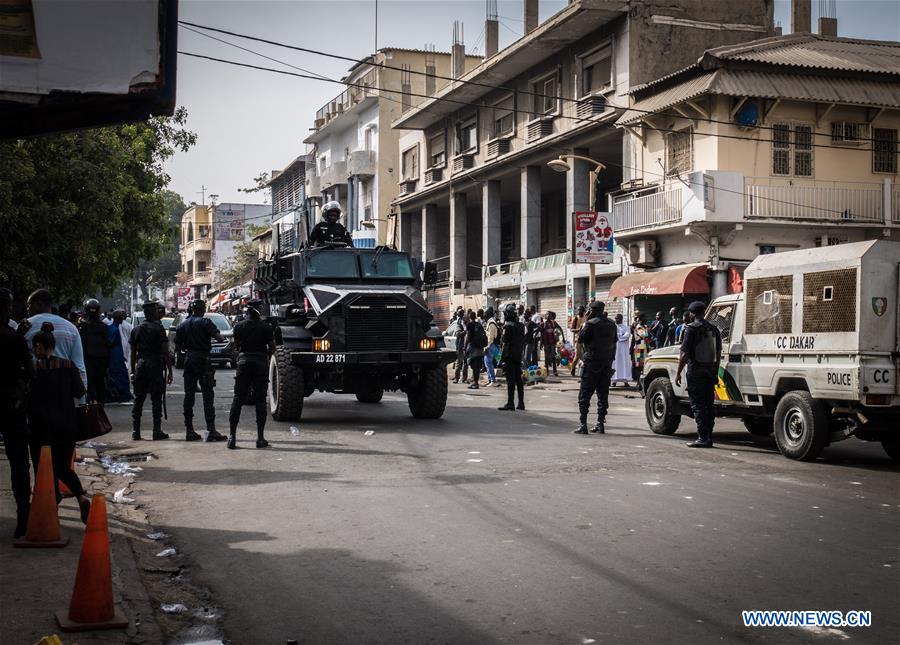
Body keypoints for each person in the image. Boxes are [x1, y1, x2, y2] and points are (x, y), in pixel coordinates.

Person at [28, 322, 92, 524]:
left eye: (34, 346)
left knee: (43, 469)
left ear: (38, 346)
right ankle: (81, 496)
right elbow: (80, 392)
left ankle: (50, 506)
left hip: (40, 427)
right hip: (66, 425)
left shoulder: (33, 369)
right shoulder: (66, 365)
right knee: (63, 467)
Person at [1, 288, 36, 537]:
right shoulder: (13, 338)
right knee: (19, 464)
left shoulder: (13, 335)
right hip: (11, 404)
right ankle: (23, 517)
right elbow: (31, 371)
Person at [174, 299, 226, 442]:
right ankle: (211, 429)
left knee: (189, 396)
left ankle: (189, 430)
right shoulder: (206, 323)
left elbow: (177, 346)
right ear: (202, 309)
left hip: (189, 360)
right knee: (208, 396)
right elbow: (219, 337)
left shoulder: (182, 325)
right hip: (203, 361)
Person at [228, 300, 276, 449]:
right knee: (260, 401)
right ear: (259, 310)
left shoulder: (239, 326)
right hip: (259, 364)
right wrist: (264, 355)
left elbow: (236, 346)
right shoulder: (266, 327)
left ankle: (232, 437)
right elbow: (273, 347)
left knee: (238, 399)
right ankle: (260, 438)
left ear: (247, 312)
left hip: (243, 364)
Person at [676, 301, 722, 448]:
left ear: (691, 314)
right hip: (710, 370)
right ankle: (708, 436)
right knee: (709, 405)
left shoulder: (691, 329)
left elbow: (684, 354)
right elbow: (718, 353)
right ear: (704, 311)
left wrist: (678, 373)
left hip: (696, 371)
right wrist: (715, 369)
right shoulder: (714, 329)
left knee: (698, 405)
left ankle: (703, 437)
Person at [24, 289, 87, 391]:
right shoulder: (71, 328)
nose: (27, 309)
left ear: (39, 304)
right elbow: (79, 365)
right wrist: (81, 400)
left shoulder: (25, 327)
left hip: (35, 393)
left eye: (29, 305)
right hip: (64, 394)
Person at [130, 302, 173, 441]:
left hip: (141, 365)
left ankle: (136, 431)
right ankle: (156, 430)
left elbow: (133, 352)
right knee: (156, 399)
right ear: (153, 313)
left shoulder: (136, 329)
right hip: (154, 365)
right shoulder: (159, 329)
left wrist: (132, 371)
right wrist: (170, 370)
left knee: (139, 398)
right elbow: (165, 352)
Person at [573, 301, 617, 434]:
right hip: (606, 363)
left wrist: (586, 321)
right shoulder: (612, 324)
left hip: (592, 363)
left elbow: (580, 340)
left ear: (592, 310)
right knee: (603, 395)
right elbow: (614, 344)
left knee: (584, 395)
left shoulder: (590, 324)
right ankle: (600, 423)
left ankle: (583, 424)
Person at [79, 298, 112, 402]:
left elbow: (81, 346)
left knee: (90, 387)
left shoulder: (83, 327)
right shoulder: (104, 327)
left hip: (89, 362)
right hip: (100, 361)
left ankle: (91, 410)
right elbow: (108, 345)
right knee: (100, 386)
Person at [497, 304, 526, 411]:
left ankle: (510, 403)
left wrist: (501, 359)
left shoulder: (508, 326)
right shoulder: (521, 326)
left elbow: (505, 344)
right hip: (518, 355)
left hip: (509, 356)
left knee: (510, 380)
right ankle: (521, 403)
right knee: (518, 379)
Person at [106, 310, 133, 403]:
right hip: (115, 357)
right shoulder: (113, 328)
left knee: (120, 376)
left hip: (118, 355)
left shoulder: (115, 327)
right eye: (121, 317)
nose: (123, 319)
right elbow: (110, 342)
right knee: (119, 376)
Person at [464, 311, 486, 389]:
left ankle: (475, 383)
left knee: (474, 366)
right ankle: (475, 382)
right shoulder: (479, 324)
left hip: (473, 348)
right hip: (480, 348)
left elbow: (468, 336)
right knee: (477, 366)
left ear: (470, 317)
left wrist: (465, 347)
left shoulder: (469, 325)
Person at [540, 311, 563, 376]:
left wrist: (563, 338)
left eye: (549, 315)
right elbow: (541, 334)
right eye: (547, 314)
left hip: (552, 342)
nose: (548, 316)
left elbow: (560, 328)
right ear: (545, 316)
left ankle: (555, 371)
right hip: (546, 342)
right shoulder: (543, 324)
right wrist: (541, 343)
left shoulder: (553, 323)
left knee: (553, 357)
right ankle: (546, 371)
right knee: (546, 357)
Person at [611, 313, 631, 386]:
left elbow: (627, 335)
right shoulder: (613, 327)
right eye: (615, 318)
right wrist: (619, 336)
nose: (616, 319)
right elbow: (612, 336)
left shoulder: (626, 327)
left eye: (618, 318)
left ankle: (625, 381)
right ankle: (614, 381)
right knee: (615, 363)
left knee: (624, 363)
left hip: (624, 349)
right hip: (615, 348)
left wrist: (618, 337)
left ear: (621, 319)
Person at [630, 312, 650, 383]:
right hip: (640, 347)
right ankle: (638, 381)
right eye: (645, 318)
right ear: (642, 319)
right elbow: (644, 335)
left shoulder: (643, 326)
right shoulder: (639, 327)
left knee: (643, 364)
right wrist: (647, 329)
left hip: (643, 346)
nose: (646, 319)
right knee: (639, 365)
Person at [483, 307, 500, 387]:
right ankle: (490, 380)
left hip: (490, 345)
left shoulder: (491, 323)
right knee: (487, 363)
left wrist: (487, 347)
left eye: (485, 314)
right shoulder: (490, 322)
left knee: (489, 363)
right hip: (490, 345)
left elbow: (491, 337)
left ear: (489, 315)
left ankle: (493, 380)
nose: (484, 316)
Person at [450, 308, 468, 384]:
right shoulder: (458, 323)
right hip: (461, 345)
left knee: (464, 363)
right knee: (460, 362)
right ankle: (457, 378)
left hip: (465, 345)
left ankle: (463, 378)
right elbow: (458, 334)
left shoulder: (466, 323)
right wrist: (465, 331)